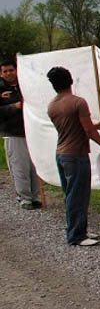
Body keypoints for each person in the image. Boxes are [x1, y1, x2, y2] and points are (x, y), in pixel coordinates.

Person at [45, 67, 100, 246]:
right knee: (78, 195)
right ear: (71, 80)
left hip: (61, 154)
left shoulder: (53, 105)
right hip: (76, 155)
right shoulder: (78, 102)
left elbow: (73, 127)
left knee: (70, 195)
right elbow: (86, 130)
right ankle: (76, 236)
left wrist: (95, 126)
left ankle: (78, 230)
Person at [0, 59, 41, 209]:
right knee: (19, 166)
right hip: (12, 132)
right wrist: (13, 106)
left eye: (11, 70)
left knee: (33, 165)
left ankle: (35, 196)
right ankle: (24, 197)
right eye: (5, 71)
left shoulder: (25, 85)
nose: (9, 73)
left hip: (30, 131)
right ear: (1, 73)